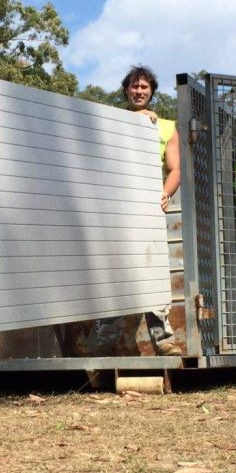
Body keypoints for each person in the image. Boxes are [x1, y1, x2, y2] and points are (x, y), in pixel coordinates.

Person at [93, 65, 182, 356]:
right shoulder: (112, 120)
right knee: (113, 271)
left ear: (152, 91)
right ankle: (106, 340)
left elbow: (175, 169)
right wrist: (134, 120)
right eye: (134, 86)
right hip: (116, 211)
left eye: (144, 87)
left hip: (148, 211)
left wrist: (164, 194)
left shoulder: (167, 127)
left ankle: (164, 340)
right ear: (127, 90)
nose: (139, 91)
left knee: (152, 269)